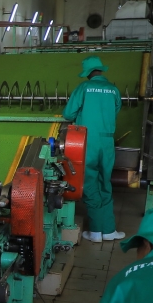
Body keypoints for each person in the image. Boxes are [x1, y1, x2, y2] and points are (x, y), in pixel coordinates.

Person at [63, 57, 126, 244]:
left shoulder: (83, 88)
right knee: (105, 183)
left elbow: (68, 114)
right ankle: (109, 230)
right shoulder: (114, 90)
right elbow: (115, 111)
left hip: (88, 141)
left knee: (89, 183)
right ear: (100, 71)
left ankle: (96, 231)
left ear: (88, 73)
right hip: (107, 142)